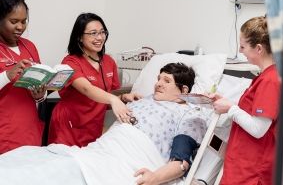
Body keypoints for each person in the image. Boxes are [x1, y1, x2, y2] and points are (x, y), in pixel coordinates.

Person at [0, 62, 210, 185]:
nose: (157, 83)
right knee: (29, 158)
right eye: (158, 78)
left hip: (126, 160)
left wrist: (154, 177)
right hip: (97, 151)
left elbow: (181, 162)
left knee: (51, 173)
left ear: (184, 91)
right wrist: (125, 99)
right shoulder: (143, 99)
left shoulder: (189, 114)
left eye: (166, 81)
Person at [48, 13, 139, 147]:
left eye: (102, 32)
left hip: (93, 128)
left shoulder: (109, 62)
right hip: (68, 127)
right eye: (93, 33)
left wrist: (124, 97)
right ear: (79, 37)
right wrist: (114, 100)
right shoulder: (71, 62)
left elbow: (104, 98)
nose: (99, 37)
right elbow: (87, 89)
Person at [211, 16, 281, 185]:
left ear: (258, 49)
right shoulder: (264, 77)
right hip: (242, 164)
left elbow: (259, 128)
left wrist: (230, 109)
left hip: (252, 169)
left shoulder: (270, 80)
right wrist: (229, 104)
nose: (240, 51)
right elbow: (252, 113)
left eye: (242, 46)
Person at [0, 0, 46, 154]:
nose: (20, 27)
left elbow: (38, 92)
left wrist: (40, 94)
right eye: (13, 21)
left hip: (29, 127)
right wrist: (7, 75)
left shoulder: (29, 46)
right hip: (4, 131)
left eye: (24, 21)